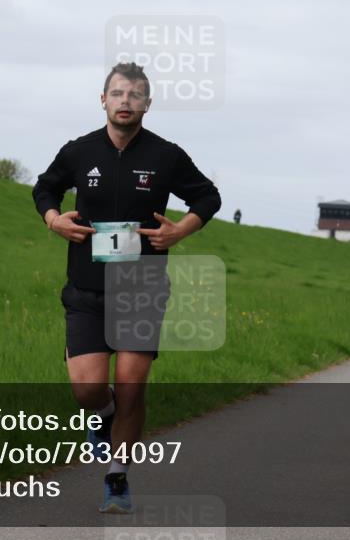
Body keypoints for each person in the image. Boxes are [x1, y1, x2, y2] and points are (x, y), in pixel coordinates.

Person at [32, 62, 221, 513]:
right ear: (103, 99)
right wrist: (54, 220)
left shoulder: (165, 156)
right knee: (87, 391)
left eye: (135, 95)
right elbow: (45, 188)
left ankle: (117, 477)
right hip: (86, 287)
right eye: (117, 93)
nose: (125, 101)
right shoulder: (78, 152)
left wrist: (181, 231)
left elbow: (208, 196)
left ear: (147, 104)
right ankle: (103, 414)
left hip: (141, 285)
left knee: (132, 386)